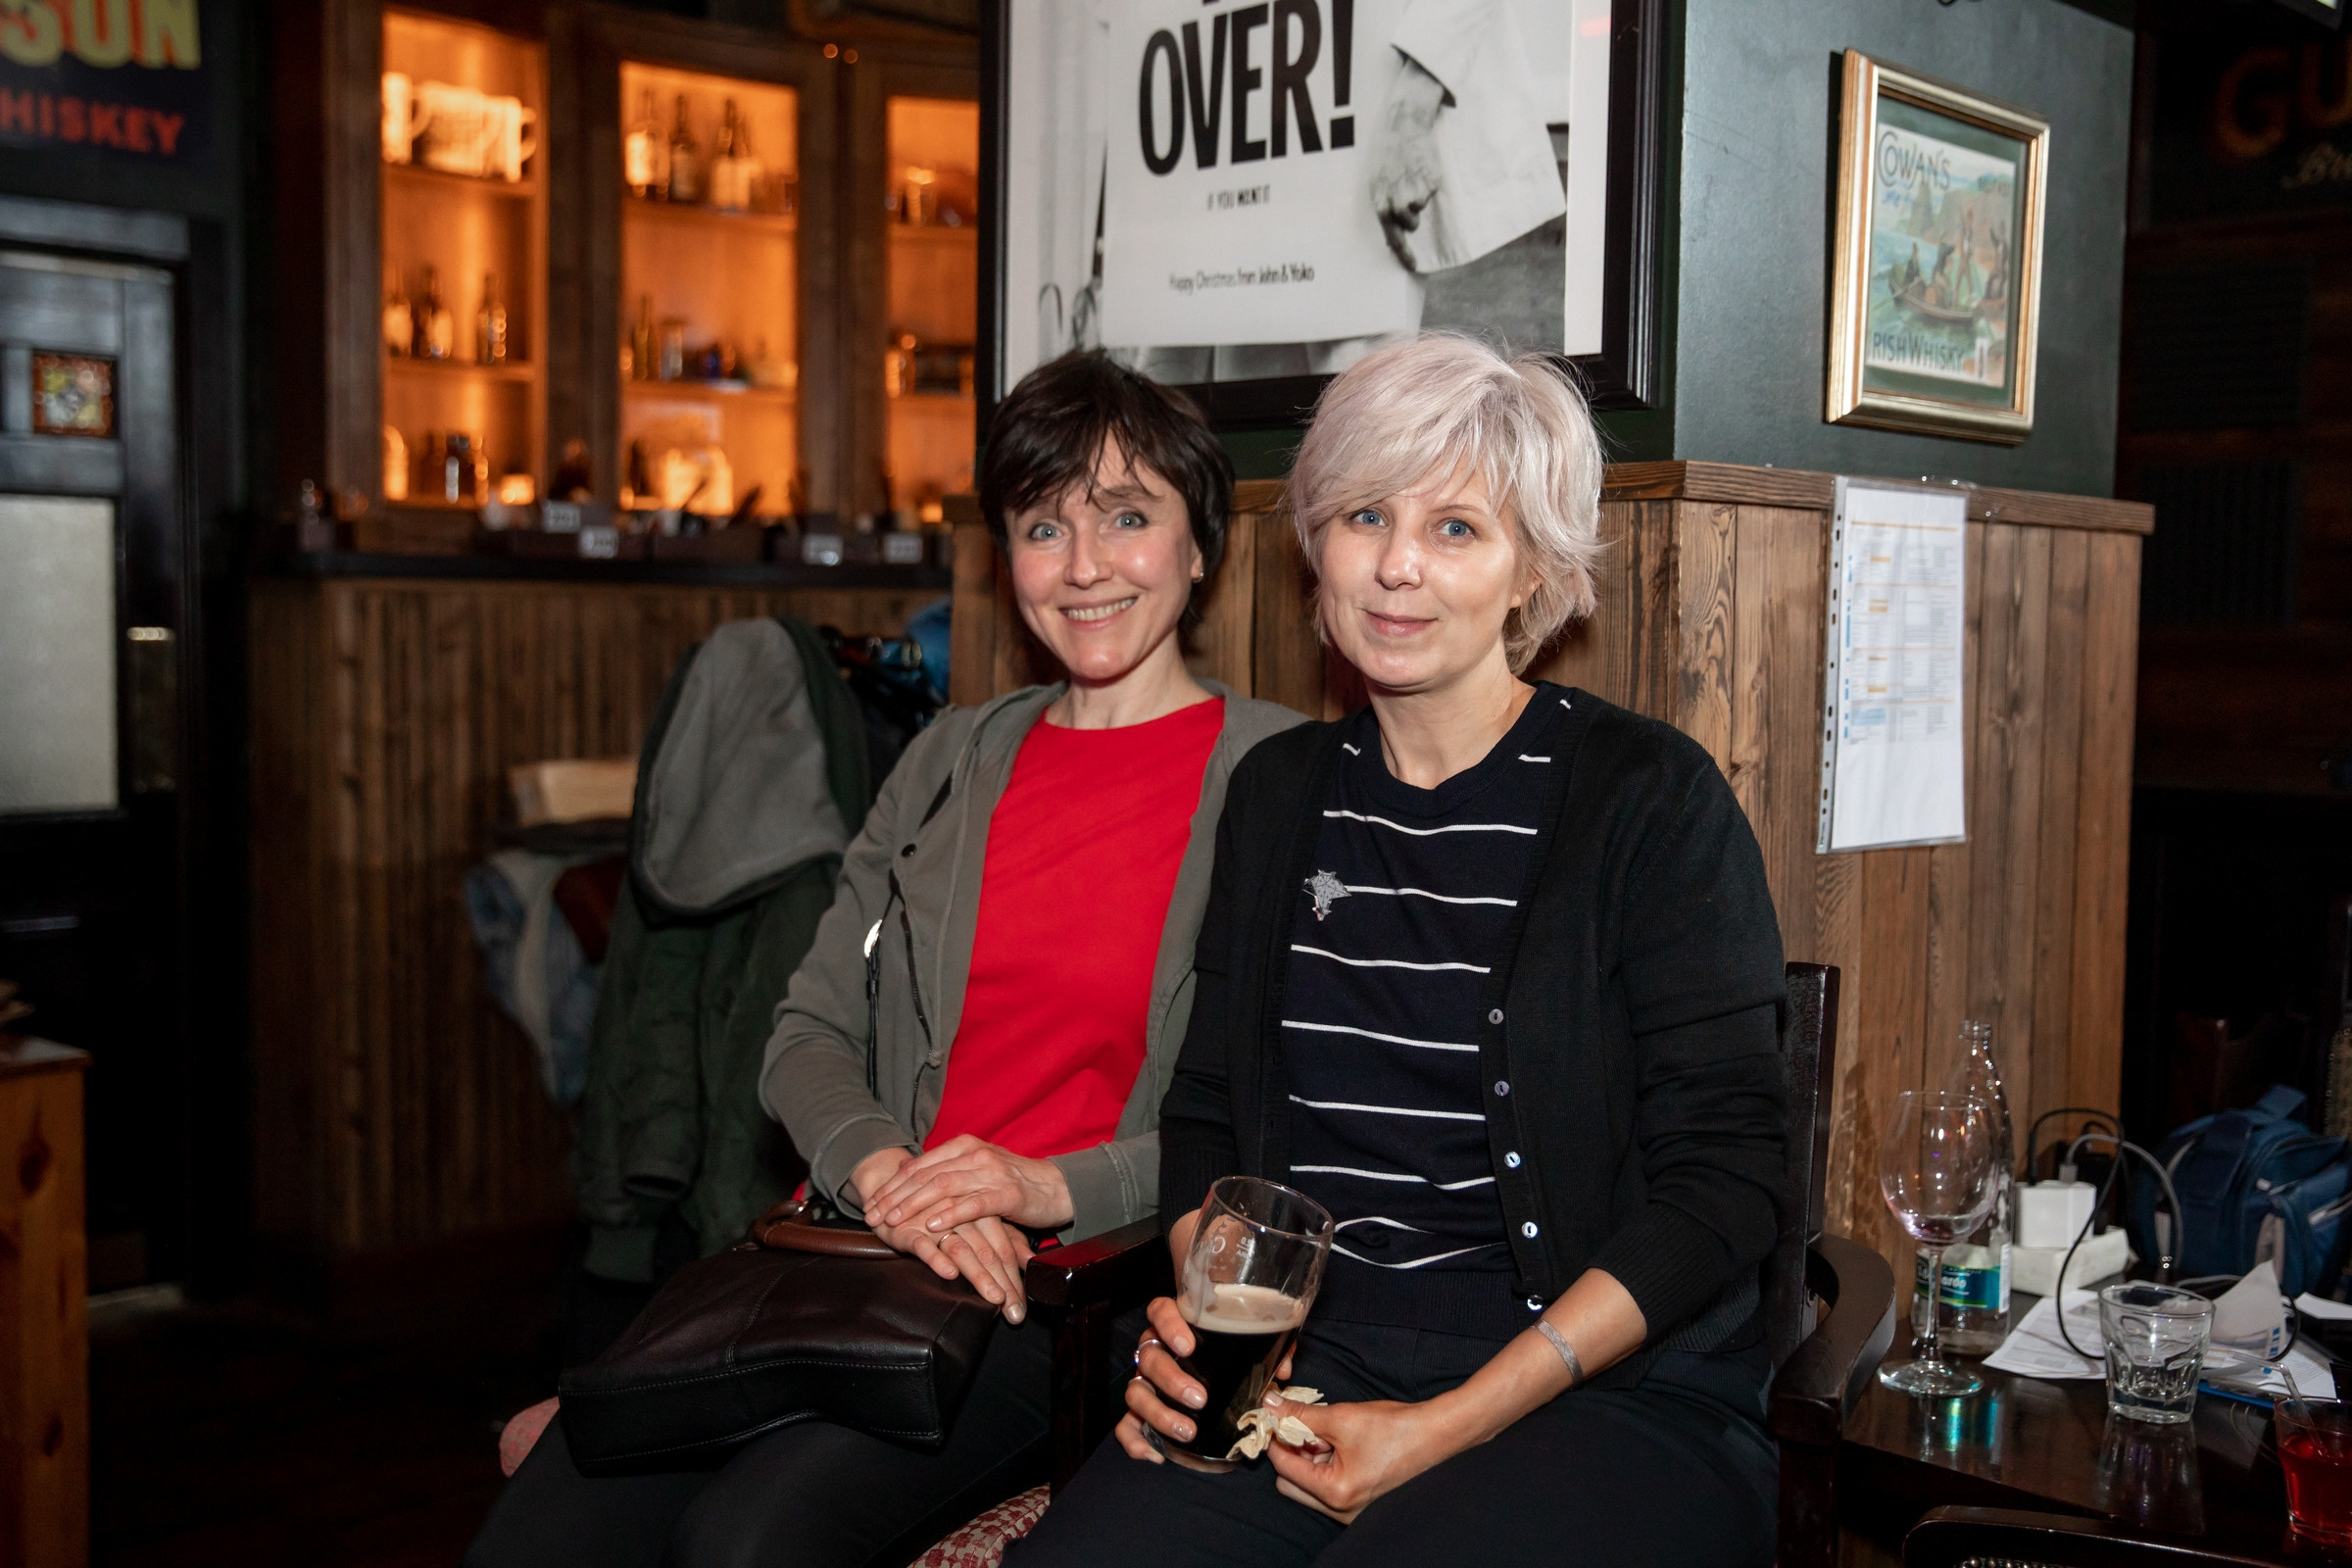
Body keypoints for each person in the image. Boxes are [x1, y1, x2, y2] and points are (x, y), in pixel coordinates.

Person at [465, 352, 1307, 1568]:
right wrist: (887, 1174)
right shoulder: (949, 758)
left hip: (1058, 1293)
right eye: (1044, 527)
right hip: (864, 1247)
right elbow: (803, 1031)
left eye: (1128, 517)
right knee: (537, 1535)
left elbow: (1283, 1114)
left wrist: (1048, 1186)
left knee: (745, 1543)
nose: (1084, 565)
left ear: (1200, 544)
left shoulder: (1278, 779)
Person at [1009, 333, 1789, 1568]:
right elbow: (1206, 1115)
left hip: (1604, 1396)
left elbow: (1729, 1182)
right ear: (1316, 542)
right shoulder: (1277, 793)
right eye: (1366, 515)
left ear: (1534, 568)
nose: (1398, 566)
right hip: (1310, 1365)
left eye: (1457, 528)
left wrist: (1443, 1427)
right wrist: (1214, 1314)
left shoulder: (1649, 798)